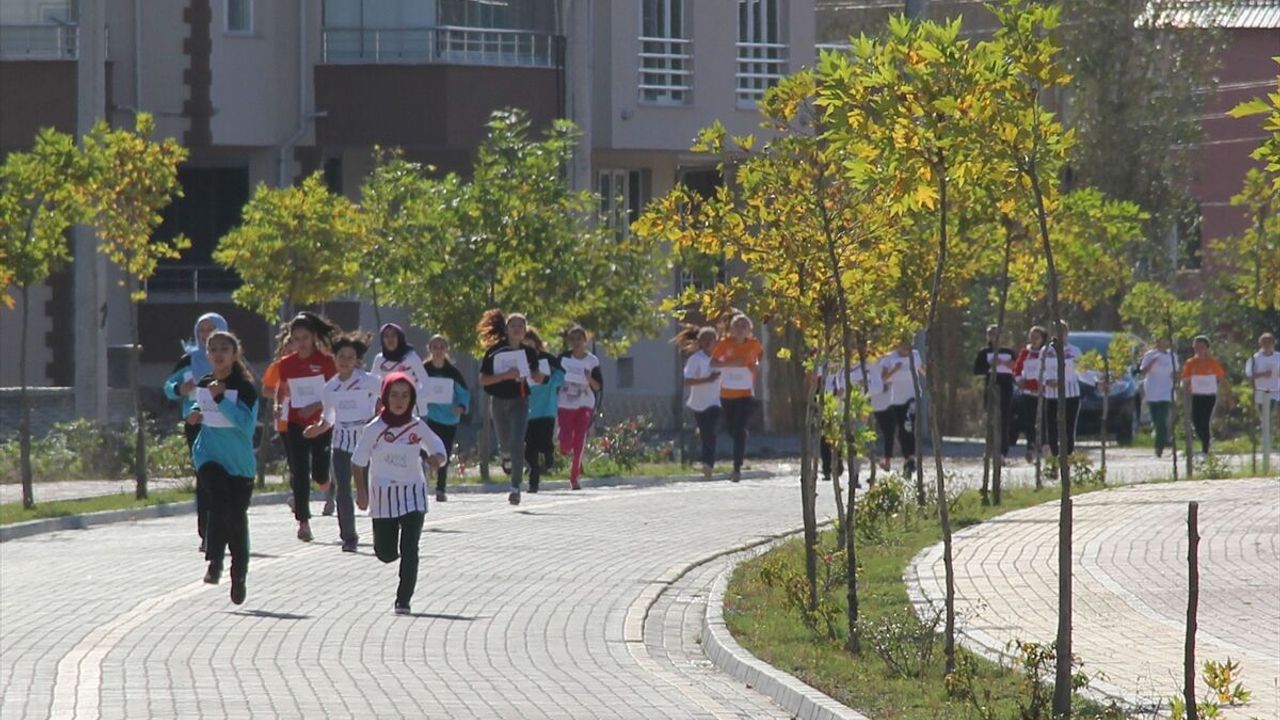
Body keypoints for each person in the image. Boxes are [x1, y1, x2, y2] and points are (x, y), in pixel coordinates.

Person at [352, 372, 447, 615]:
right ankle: (388, 550)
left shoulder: (417, 425)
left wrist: (437, 458)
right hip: (383, 496)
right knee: (385, 553)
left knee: (410, 548)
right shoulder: (374, 429)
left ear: (412, 398)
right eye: (394, 395)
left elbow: (437, 447)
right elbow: (358, 462)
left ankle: (403, 600)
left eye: (405, 395)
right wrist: (361, 492)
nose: (399, 401)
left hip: (413, 493)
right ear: (385, 396)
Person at [187, 330, 257, 605]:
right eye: (212, 349)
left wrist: (221, 399)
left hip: (238, 463)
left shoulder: (245, 387)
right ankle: (214, 562)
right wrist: (193, 414)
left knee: (236, 518)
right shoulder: (205, 383)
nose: (218, 354)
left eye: (224, 349)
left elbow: (246, 424)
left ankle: (239, 575)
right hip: (208, 456)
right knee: (218, 502)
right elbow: (197, 407)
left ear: (235, 354)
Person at [303, 332, 378, 552]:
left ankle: (381, 532)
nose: (345, 361)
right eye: (341, 357)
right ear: (334, 359)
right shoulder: (330, 388)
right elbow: (328, 419)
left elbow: (392, 395)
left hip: (367, 443)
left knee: (372, 490)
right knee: (343, 489)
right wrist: (316, 429)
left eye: (350, 357)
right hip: (341, 445)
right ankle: (349, 537)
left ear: (357, 360)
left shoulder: (369, 381)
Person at [162, 311, 228, 552]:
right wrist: (180, 388)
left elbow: (245, 385)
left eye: (211, 329)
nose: (206, 335)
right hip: (196, 423)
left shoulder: (230, 359)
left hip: (224, 423)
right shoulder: (188, 360)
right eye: (202, 330)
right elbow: (168, 386)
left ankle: (225, 526)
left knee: (225, 476)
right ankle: (207, 532)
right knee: (204, 476)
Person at [277, 312, 338, 542]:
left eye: (305, 338)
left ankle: (326, 482)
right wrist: (278, 405)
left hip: (321, 422)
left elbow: (334, 392)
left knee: (319, 472)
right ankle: (303, 522)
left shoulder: (326, 362)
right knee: (299, 471)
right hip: (296, 422)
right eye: (296, 339)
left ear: (313, 337)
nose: (301, 343)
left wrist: (315, 405)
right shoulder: (286, 363)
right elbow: (283, 388)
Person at [478, 310, 547, 505]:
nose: (517, 329)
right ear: (506, 329)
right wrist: (504, 376)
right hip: (498, 401)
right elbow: (483, 380)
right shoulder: (494, 351)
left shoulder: (529, 352)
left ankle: (515, 487)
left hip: (520, 400)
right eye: (513, 326)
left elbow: (536, 374)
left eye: (520, 326)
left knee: (517, 442)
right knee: (505, 443)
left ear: (525, 331)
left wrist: (538, 376)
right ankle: (506, 456)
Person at [711, 314, 765, 483]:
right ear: (732, 329)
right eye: (737, 326)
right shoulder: (725, 344)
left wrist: (755, 366)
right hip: (727, 393)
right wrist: (731, 363)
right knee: (732, 430)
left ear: (749, 330)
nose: (740, 329)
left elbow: (759, 357)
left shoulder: (754, 344)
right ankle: (740, 438)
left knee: (740, 430)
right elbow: (713, 363)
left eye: (744, 326)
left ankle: (737, 467)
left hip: (745, 393)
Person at [423, 334, 470, 503]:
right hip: (429, 417)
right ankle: (422, 483)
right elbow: (415, 388)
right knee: (424, 451)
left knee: (444, 452)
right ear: (429, 349)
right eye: (435, 347)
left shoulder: (453, 372)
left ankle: (441, 488)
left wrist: (461, 407)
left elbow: (463, 393)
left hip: (449, 419)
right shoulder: (424, 370)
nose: (438, 350)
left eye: (441, 347)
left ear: (446, 350)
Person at [557, 324, 603, 490]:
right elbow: (554, 378)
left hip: (585, 403)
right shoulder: (563, 359)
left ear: (585, 340)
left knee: (579, 440)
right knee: (565, 445)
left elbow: (598, 386)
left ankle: (574, 478)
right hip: (565, 403)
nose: (576, 342)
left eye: (579, 339)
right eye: (573, 339)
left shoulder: (592, 361)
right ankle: (563, 442)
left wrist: (588, 378)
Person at [679, 326, 722, 480]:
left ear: (716, 341)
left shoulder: (720, 358)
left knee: (711, 432)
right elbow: (687, 381)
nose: (708, 342)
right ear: (700, 343)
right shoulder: (695, 359)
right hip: (698, 403)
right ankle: (699, 440)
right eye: (705, 340)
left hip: (715, 401)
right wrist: (707, 379)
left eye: (711, 339)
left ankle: (708, 464)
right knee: (705, 432)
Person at [877, 339, 924, 475]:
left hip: (913, 396)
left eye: (908, 347)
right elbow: (883, 378)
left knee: (908, 426)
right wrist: (894, 370)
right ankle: (907, 459)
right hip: (896, 400)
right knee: (902, 430)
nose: (905, 350)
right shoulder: (890, 358)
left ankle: (911, 458)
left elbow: (922, 369)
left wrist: (928, 369)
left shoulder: (915, 355)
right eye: (903, 347)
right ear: (897, 345)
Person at [524, 328, 563, 493]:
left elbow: (561, 377)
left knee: (545, 441)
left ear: (536, 344)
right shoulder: (517, 362)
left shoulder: (548, 359)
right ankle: (533, 480)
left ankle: (549, 452)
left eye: (530, 345)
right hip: (527, 411)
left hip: (547, 409)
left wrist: (546, 379)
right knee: (529, 449)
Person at [972, 324, 1017, 462]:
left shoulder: (1009, 352)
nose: (995, 337)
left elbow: (1019, 369)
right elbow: (976, 370)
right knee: (991, 419)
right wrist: (990, 365)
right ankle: (990, 449)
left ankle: (1002, 451)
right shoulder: (984, 352)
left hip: (1006, 387)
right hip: (991, 387)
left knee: (1004, 419)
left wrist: (1012, 366)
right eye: (991, 334)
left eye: (997, 334)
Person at [371, 323, 431, 415]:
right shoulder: (379, 359)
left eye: (393, 335)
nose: (390, 339)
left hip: (414, 411)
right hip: (389, 409)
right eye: (386, 336)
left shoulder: (411, 356)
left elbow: (425, 382)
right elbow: (373, 385)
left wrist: (412, 399)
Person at [1181, 335, 1226, 456]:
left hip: (1209, 396)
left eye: (1201, 347)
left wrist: (1227, 394)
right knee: (1196, 421)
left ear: (1207, 348)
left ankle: (1205, 448)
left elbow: (1221, 378)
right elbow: (1185, 379)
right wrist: (1184, 390)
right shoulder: (1191, 363)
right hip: (1196, 395)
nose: (1199, 350)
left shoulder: (1212, 362)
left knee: (1205, 421)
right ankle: (1206, 441)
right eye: (1196, 347)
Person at [1011, 326, 1048, 463]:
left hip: (1044, 392)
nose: (1034, 340)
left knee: (1044, 420)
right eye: (1031, 336)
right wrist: (1019, 380)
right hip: (1028, 392)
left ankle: (1044, 446)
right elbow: (1017, 369)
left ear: (1042, 339)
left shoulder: (1047, 352)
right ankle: (1031, 447)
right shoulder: (1025, 352)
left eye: (1036, 337)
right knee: (1029, 421)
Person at [1139, 337, 1177, 458]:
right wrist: (1152, 362)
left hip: (1166, 391)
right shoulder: (1150, 355)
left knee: (1162, 419)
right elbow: (1143, 371)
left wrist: (1177, 381)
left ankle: (1159, 446)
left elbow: (1175, 372)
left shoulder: (1172, 356)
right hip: (1152, 390)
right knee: (1156, 420)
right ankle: (1160, 439)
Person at [1246, 332, 1279, 468]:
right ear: (1260, 344)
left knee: (1275, 417)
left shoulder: (1278, 357)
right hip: (1261, 393)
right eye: (1264, 343)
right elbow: (1249, 374)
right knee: (1265, 419)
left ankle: (1273, 441)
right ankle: (1266, 443)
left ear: (1273, 343)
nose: (1267, 345)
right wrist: (1263, 374)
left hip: (1276, 392)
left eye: (1269, 342)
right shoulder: (1255, 359)